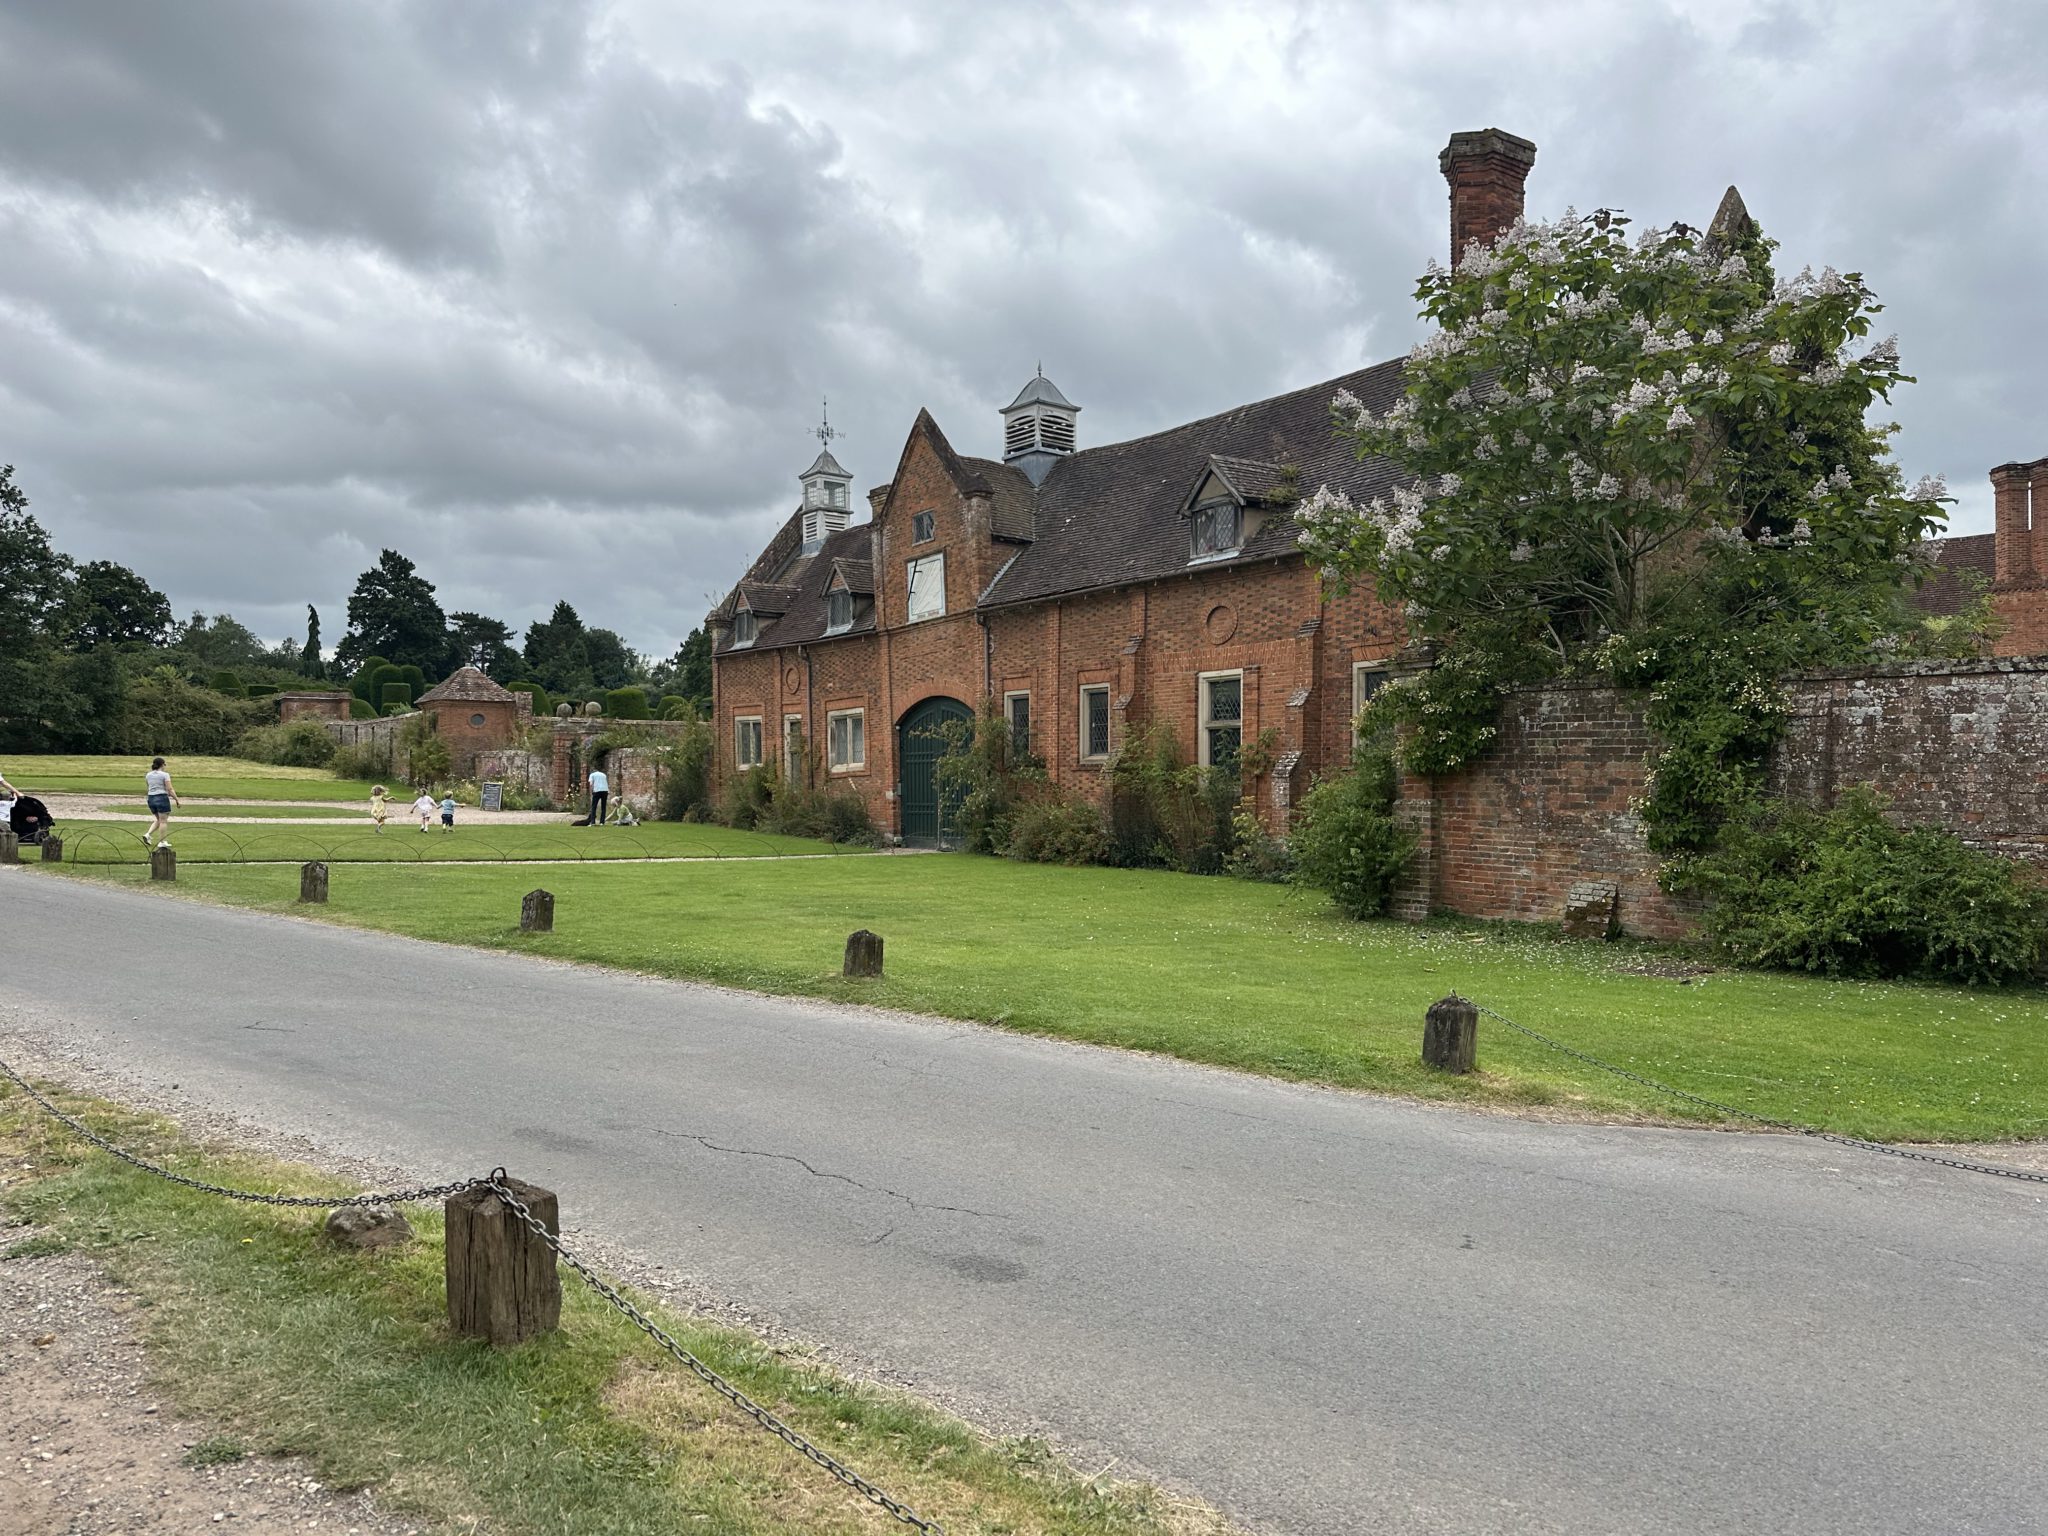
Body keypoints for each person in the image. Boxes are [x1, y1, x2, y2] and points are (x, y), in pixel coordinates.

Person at [143, 757, 179, 851]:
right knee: (163, 821)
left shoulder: (148, 775)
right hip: (161, 797)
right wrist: (176, 799)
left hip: (151, 798)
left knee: (159, 819)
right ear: (162, 764)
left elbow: (148, 787)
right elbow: (169, 789)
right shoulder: (165, 775)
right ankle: (162, 842)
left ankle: (148, 834)